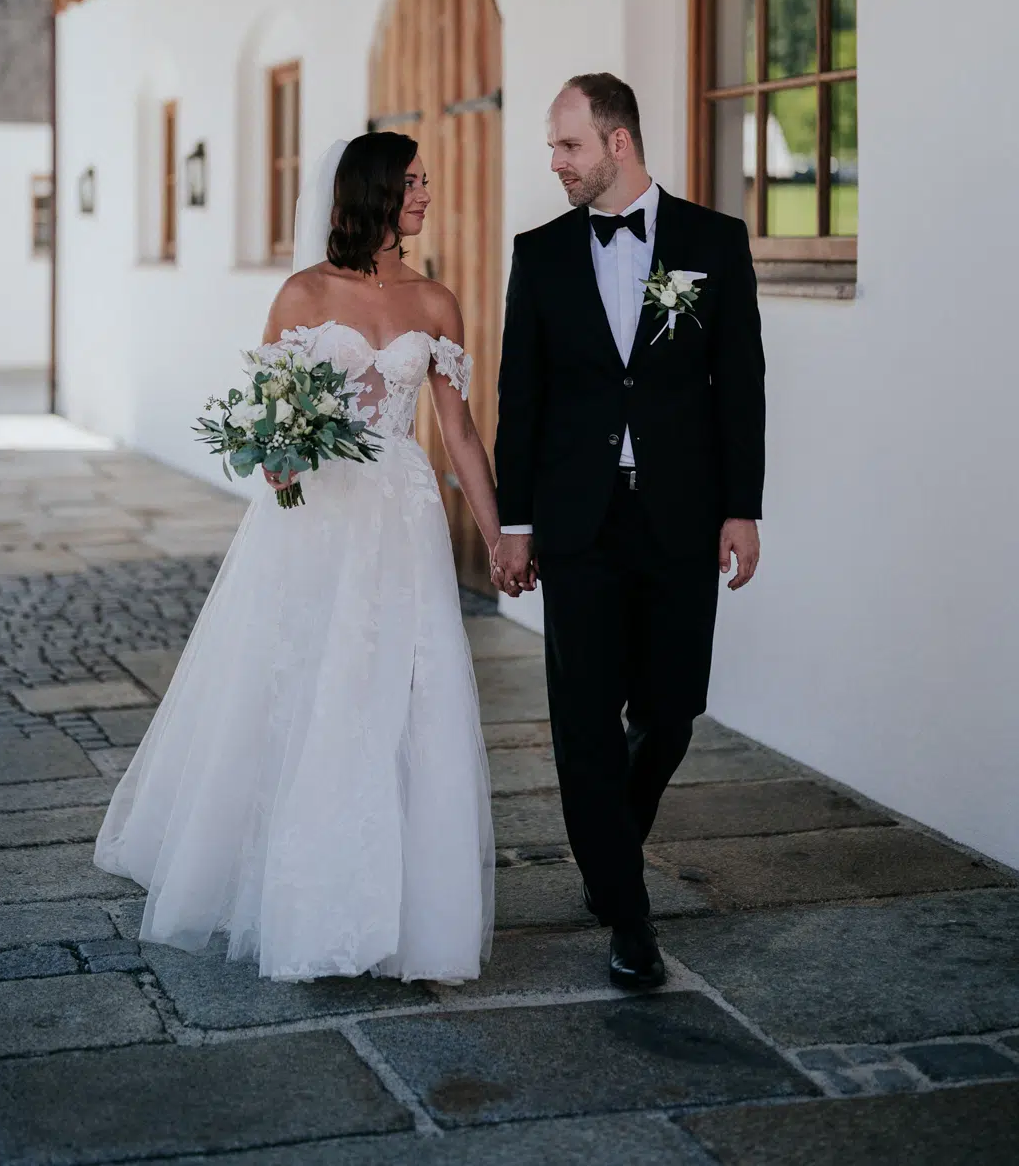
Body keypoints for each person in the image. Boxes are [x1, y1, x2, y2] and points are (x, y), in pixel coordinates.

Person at [96, 132, 498, 983]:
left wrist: (499, 536)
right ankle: (304, 896)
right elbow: (266, 416)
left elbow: (457, 429)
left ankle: (404, 909)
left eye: (426, 182)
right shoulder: (303, 294)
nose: (426, 194)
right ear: (377, 192)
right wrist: (279, 459)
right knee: (308, 682)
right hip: (315, 515)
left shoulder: (437, 303)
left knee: (405, 689)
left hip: (405, 518)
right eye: (415, 182)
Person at [491, 74, 765, 993]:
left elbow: (742, 384)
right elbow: (518, 400)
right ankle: (628, 912)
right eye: (551, 149)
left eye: (568, 147)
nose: (556, 164)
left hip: (684, 514)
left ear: (618, 144)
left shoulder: (713, 243)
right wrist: (517, 522)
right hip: (578, 523)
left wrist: (743, 506)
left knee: (673, 705)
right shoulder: (539, 253)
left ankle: (614, 837)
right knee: (583, 719)